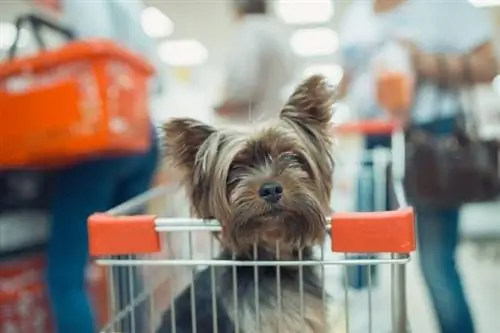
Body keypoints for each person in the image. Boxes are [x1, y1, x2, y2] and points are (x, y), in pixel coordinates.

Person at [337, 0, 497, 332]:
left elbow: (489, 65)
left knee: (436, 262)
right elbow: (348, 77)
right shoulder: (357, 15)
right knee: (358, 258)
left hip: (432, 142)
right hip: (374, 142)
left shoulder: (445, 7)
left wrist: (425, 63)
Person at [46, 1, 162, 332]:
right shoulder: (130, 7)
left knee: (66, 275)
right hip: (143, 135)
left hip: (103, 140)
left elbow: (95, 50)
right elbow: (158, 78)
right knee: (125, 257)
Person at [215, 0, 298, 125]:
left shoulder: (248, 31)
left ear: (239, 9)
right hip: (275, 119)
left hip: (250, 124)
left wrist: (225, 107)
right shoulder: (278, 31)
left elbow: (244, 82)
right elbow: (290, 74)